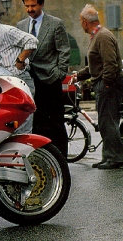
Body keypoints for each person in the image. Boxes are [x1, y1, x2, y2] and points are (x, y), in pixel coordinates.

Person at [69, 4, 123, 169]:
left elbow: (110, 63)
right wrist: (78, 75)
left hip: (108, 86)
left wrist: (106, 84)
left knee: (108, 121)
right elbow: (96, 65)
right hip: (104, 84)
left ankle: (115, 157)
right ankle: (108, 156)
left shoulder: (103, 36)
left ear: (85, 22)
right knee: (106, 121)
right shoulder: (98, 36)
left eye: (80, 21)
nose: (80, 24)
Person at [17, 0, 70, 157]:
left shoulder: (55, 24)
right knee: (37, 123)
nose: (30, 9)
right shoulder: (21, 25)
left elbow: (64, 50)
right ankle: (42, 158)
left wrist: (59, 74)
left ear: (41, 5)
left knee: (55, 122)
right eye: (27, 6)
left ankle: (61, 159)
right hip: (29, 80)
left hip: (50, 80)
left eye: (33, 6)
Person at [0, 6, 38, 133]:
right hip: (10, 83)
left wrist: (20, 60)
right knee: (13, 125)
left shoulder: (7, 31)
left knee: (23, 126)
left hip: (21, 80)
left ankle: (26, 152)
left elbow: (32, 41)